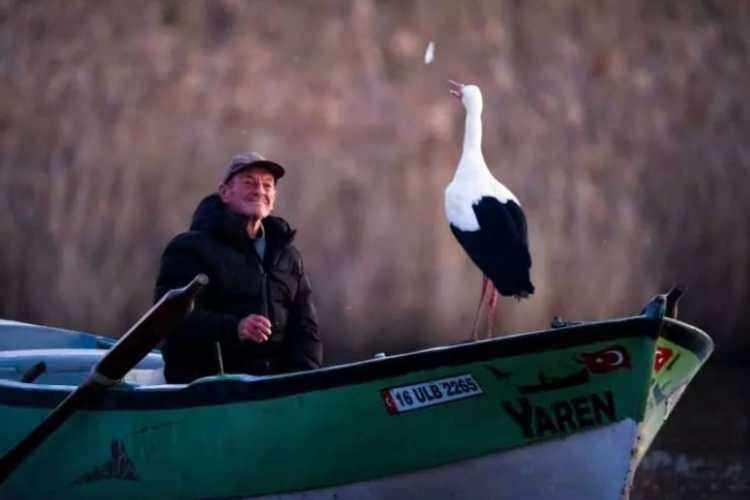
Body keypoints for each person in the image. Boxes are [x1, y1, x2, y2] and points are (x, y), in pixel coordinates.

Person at [154, 152, 322, 383]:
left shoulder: (288, 256)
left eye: (267, 185)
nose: (259, 191)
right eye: (249, 182)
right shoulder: (189, 248)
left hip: (275, 389)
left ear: (274, 197)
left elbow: (306, 330)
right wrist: (235, 328)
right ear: (225, 193)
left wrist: (304, 383)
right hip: (207, 388)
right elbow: (168, 319)